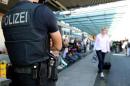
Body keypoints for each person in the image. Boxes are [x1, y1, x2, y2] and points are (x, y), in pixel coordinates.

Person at [1, 0, 62, 86]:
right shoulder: (42, 11)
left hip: (16, 77)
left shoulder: (6, 16)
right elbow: (58, 46)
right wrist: (47, 47)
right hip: (39, 79)